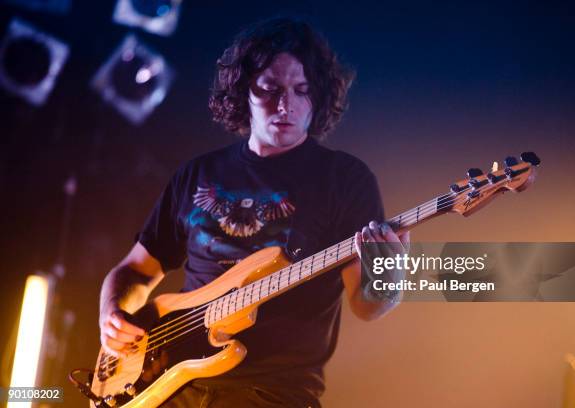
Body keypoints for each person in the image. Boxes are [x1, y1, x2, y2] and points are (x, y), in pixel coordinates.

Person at [98, 17, 409, 408]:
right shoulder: (197, 173)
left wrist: (388, 277)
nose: (286, 105)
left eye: (302, 91)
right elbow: (136, 270)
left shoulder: (345, 179)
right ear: (242, 90)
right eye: (270, 89)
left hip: (273, 393)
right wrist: (112, 313)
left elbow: (367, 306)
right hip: (168, 381)